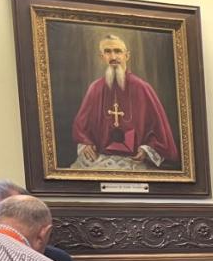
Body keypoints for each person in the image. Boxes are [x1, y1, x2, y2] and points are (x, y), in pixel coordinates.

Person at [70, 33, 179, 170]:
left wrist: (146, 150)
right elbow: (81, 127)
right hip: (100, 158)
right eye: (108, 52)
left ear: (127, 56)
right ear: (101, 57)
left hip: (135, 161)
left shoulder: (143, 88)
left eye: (118, 51)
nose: (113, 57)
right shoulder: (95, 88)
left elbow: (160, 131)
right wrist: (85, 143)